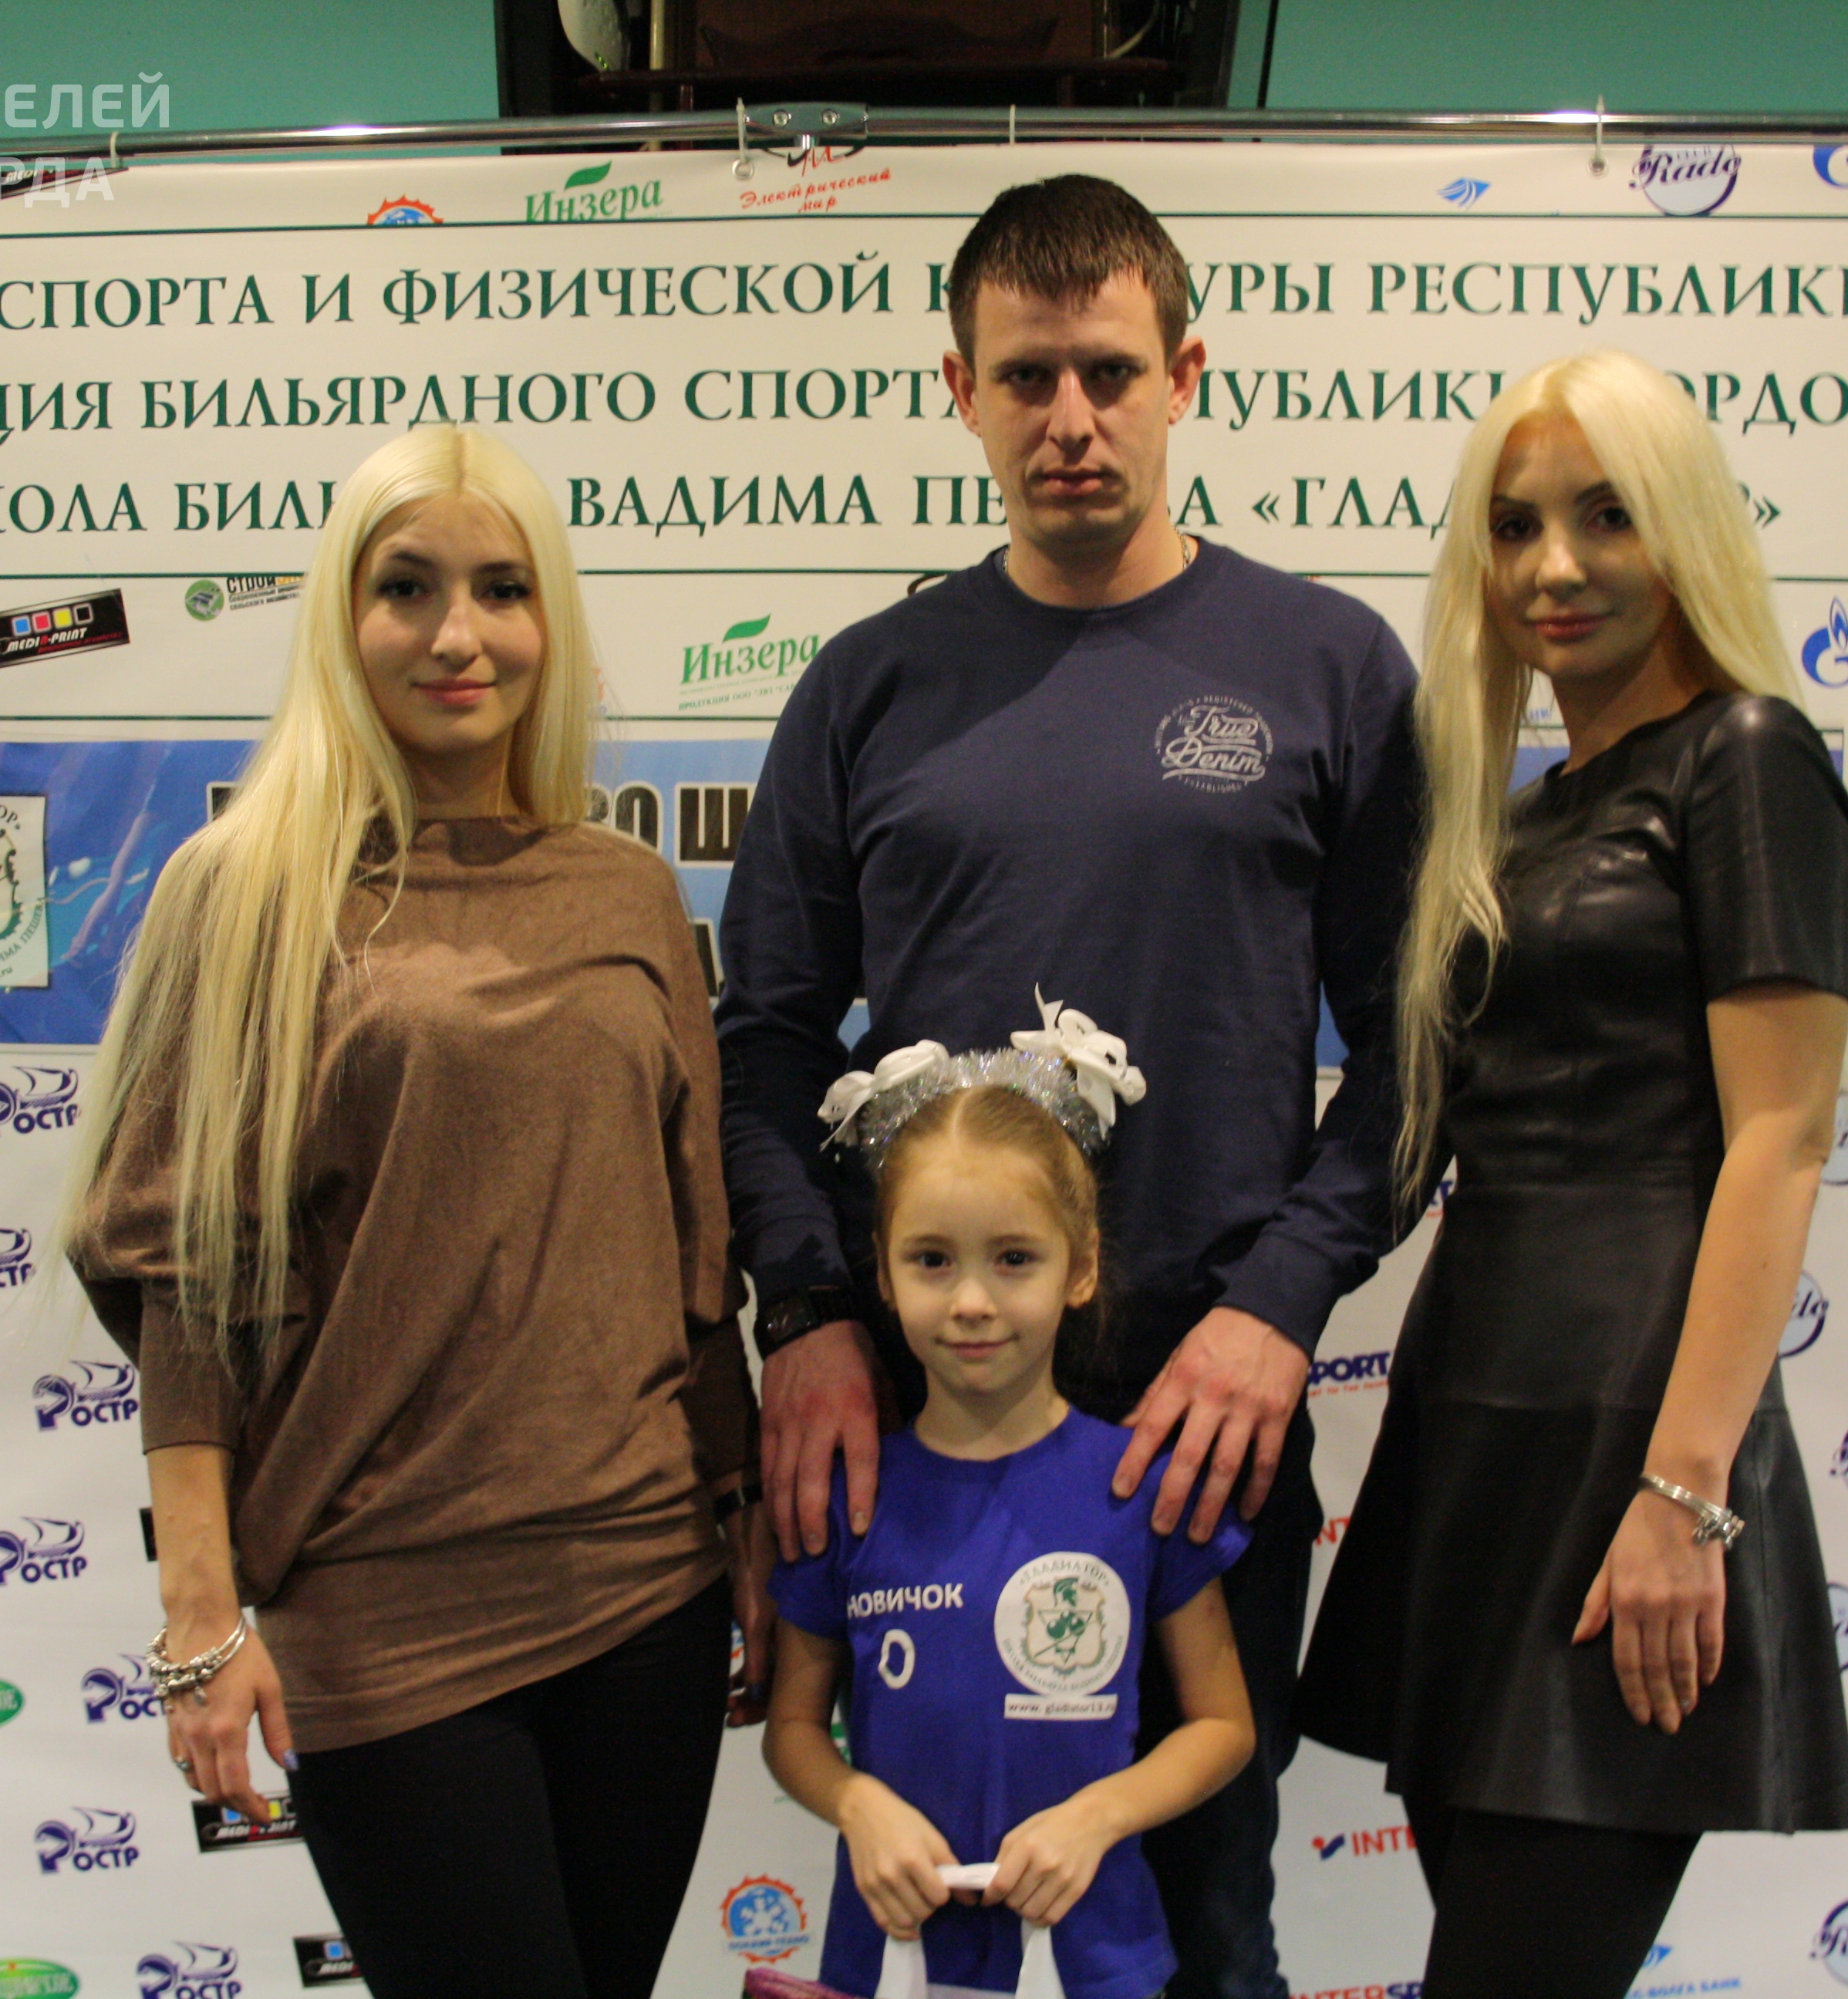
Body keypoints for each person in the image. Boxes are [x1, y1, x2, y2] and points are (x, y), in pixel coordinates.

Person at [717, 172, 1421, 1999]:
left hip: (1202, 1416)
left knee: (1201, 1926)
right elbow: (764, 1038)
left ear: (1185, 374)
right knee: (934, 1913)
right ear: (959, 390)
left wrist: (1278, 1309)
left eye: (1110, 371)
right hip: (927, 1414)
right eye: (1025, 377)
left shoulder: (1328, 667)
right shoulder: (869, 688)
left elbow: (1419, 1051)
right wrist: (808, 1314)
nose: (1070, 419)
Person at [65, 426, 767, 1999]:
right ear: (343, 616)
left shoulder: (626, 890)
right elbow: (184, 1281)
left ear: (549, 619)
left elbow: (691, 1256)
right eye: (408, 589)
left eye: (502, 589)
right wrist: (198, 1621)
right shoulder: (240, 892)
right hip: (384, 1611)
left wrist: (749, 1526)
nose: (460, 634)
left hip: (646, 1590)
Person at [1293, 349, 1848, 1998]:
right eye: (1515, 525)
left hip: (1631, 1461)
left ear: (1684, 529)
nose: (1554, 566)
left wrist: (1683, 1500)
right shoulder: (1519, 820)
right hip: (1471, 1441)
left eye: (1607, 516)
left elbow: (1780, 1137)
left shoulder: (1746, 757)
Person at [766, 1010, 1255, 1999]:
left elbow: (1224, 1725)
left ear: (1082, 1266)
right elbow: (792, 1731)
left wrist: (1097, 1819)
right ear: (882, 1273)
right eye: (932, 1260)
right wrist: (858, 1806)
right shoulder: (850, 1494)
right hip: (890, 1956)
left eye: (1014, 1259)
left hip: (1091, 1958)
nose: (972, 1303)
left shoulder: (1139, 1486)